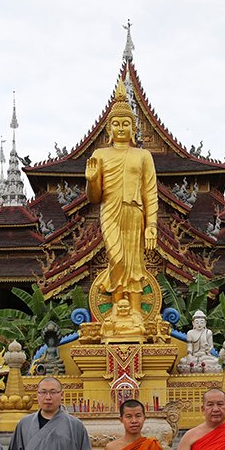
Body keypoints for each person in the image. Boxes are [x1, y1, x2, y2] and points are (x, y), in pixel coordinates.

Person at [85, 78, 157, 309]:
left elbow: (150, 192)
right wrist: (92, 180)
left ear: (133, 128)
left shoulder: (143, 156)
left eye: (126, 123)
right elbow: (94, 198)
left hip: (135, 212)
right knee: (116, 258)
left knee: (134, 263)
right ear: (109, 128)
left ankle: (135, 312)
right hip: (110, 212)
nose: (121, 128)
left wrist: (152, 226)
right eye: (116, 124)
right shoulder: (100, 154)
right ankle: (117, 312)